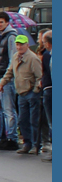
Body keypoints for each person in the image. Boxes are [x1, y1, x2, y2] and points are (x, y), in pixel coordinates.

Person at [0, 34, 42, 154]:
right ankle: (27, 143)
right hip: (21, 93)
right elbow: (9, 72)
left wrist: (35, 91)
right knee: (23, 120)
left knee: (33, 120)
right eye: (17, 44)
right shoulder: (15, 57)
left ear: (27, 45)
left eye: (22, 44)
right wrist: (2, 83)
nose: (19, 47)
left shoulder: (33, 58)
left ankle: (35, 145)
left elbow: (39, 76)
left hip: (31, 93)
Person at [0, 11, 20, 150]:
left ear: (7, 22)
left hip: (7, 78)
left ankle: (12, 138)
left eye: (1, 22)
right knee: (2, 109)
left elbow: (12, 58)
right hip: (0, 76)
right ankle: (3, 136)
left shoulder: (10, 37)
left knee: (9, 110)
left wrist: (5, 78)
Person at [39, 30, 52, 162]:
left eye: (43, 42)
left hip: (49, 89)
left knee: (51, 121)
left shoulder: (48, 55)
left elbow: (48, 72)